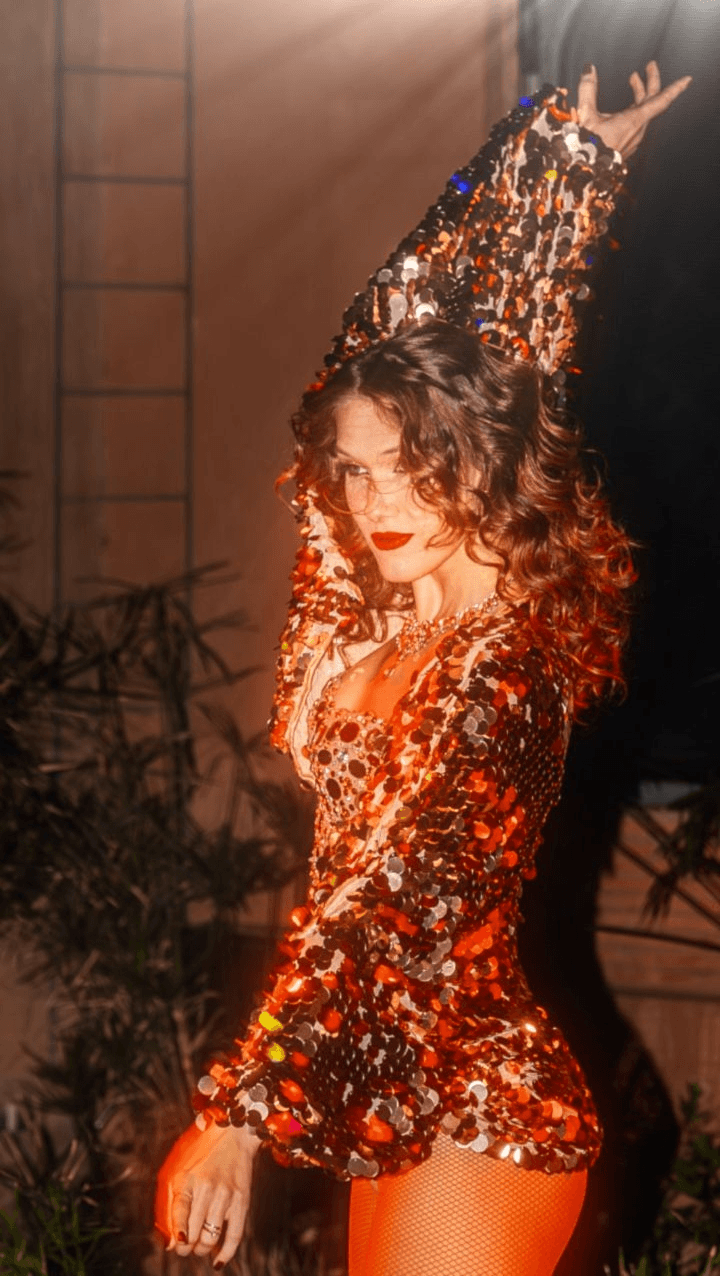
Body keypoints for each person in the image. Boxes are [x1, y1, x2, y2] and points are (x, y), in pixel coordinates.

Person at [154, 62, 691, 1274]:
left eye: (407, 462)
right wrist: (554, 169)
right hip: (403, 1090)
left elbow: (399, 889)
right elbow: (379, 334)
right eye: (352, 468)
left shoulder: (510, 657)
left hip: (486, 1103)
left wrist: (240, 1109)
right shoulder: (367, 615)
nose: (374, 497)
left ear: (474, 457)